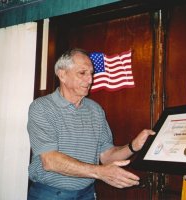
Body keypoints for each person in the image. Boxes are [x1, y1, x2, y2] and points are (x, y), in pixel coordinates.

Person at [27, 48, 155, 200]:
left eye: (91, 73)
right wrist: (100, 172)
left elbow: (107, 156)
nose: (90, 80)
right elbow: (50, 161)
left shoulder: (95, 109)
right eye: (82, 73)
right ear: (62, 75)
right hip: (50, 194)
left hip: (87, 193)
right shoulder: (42, 107)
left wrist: (133, 146)